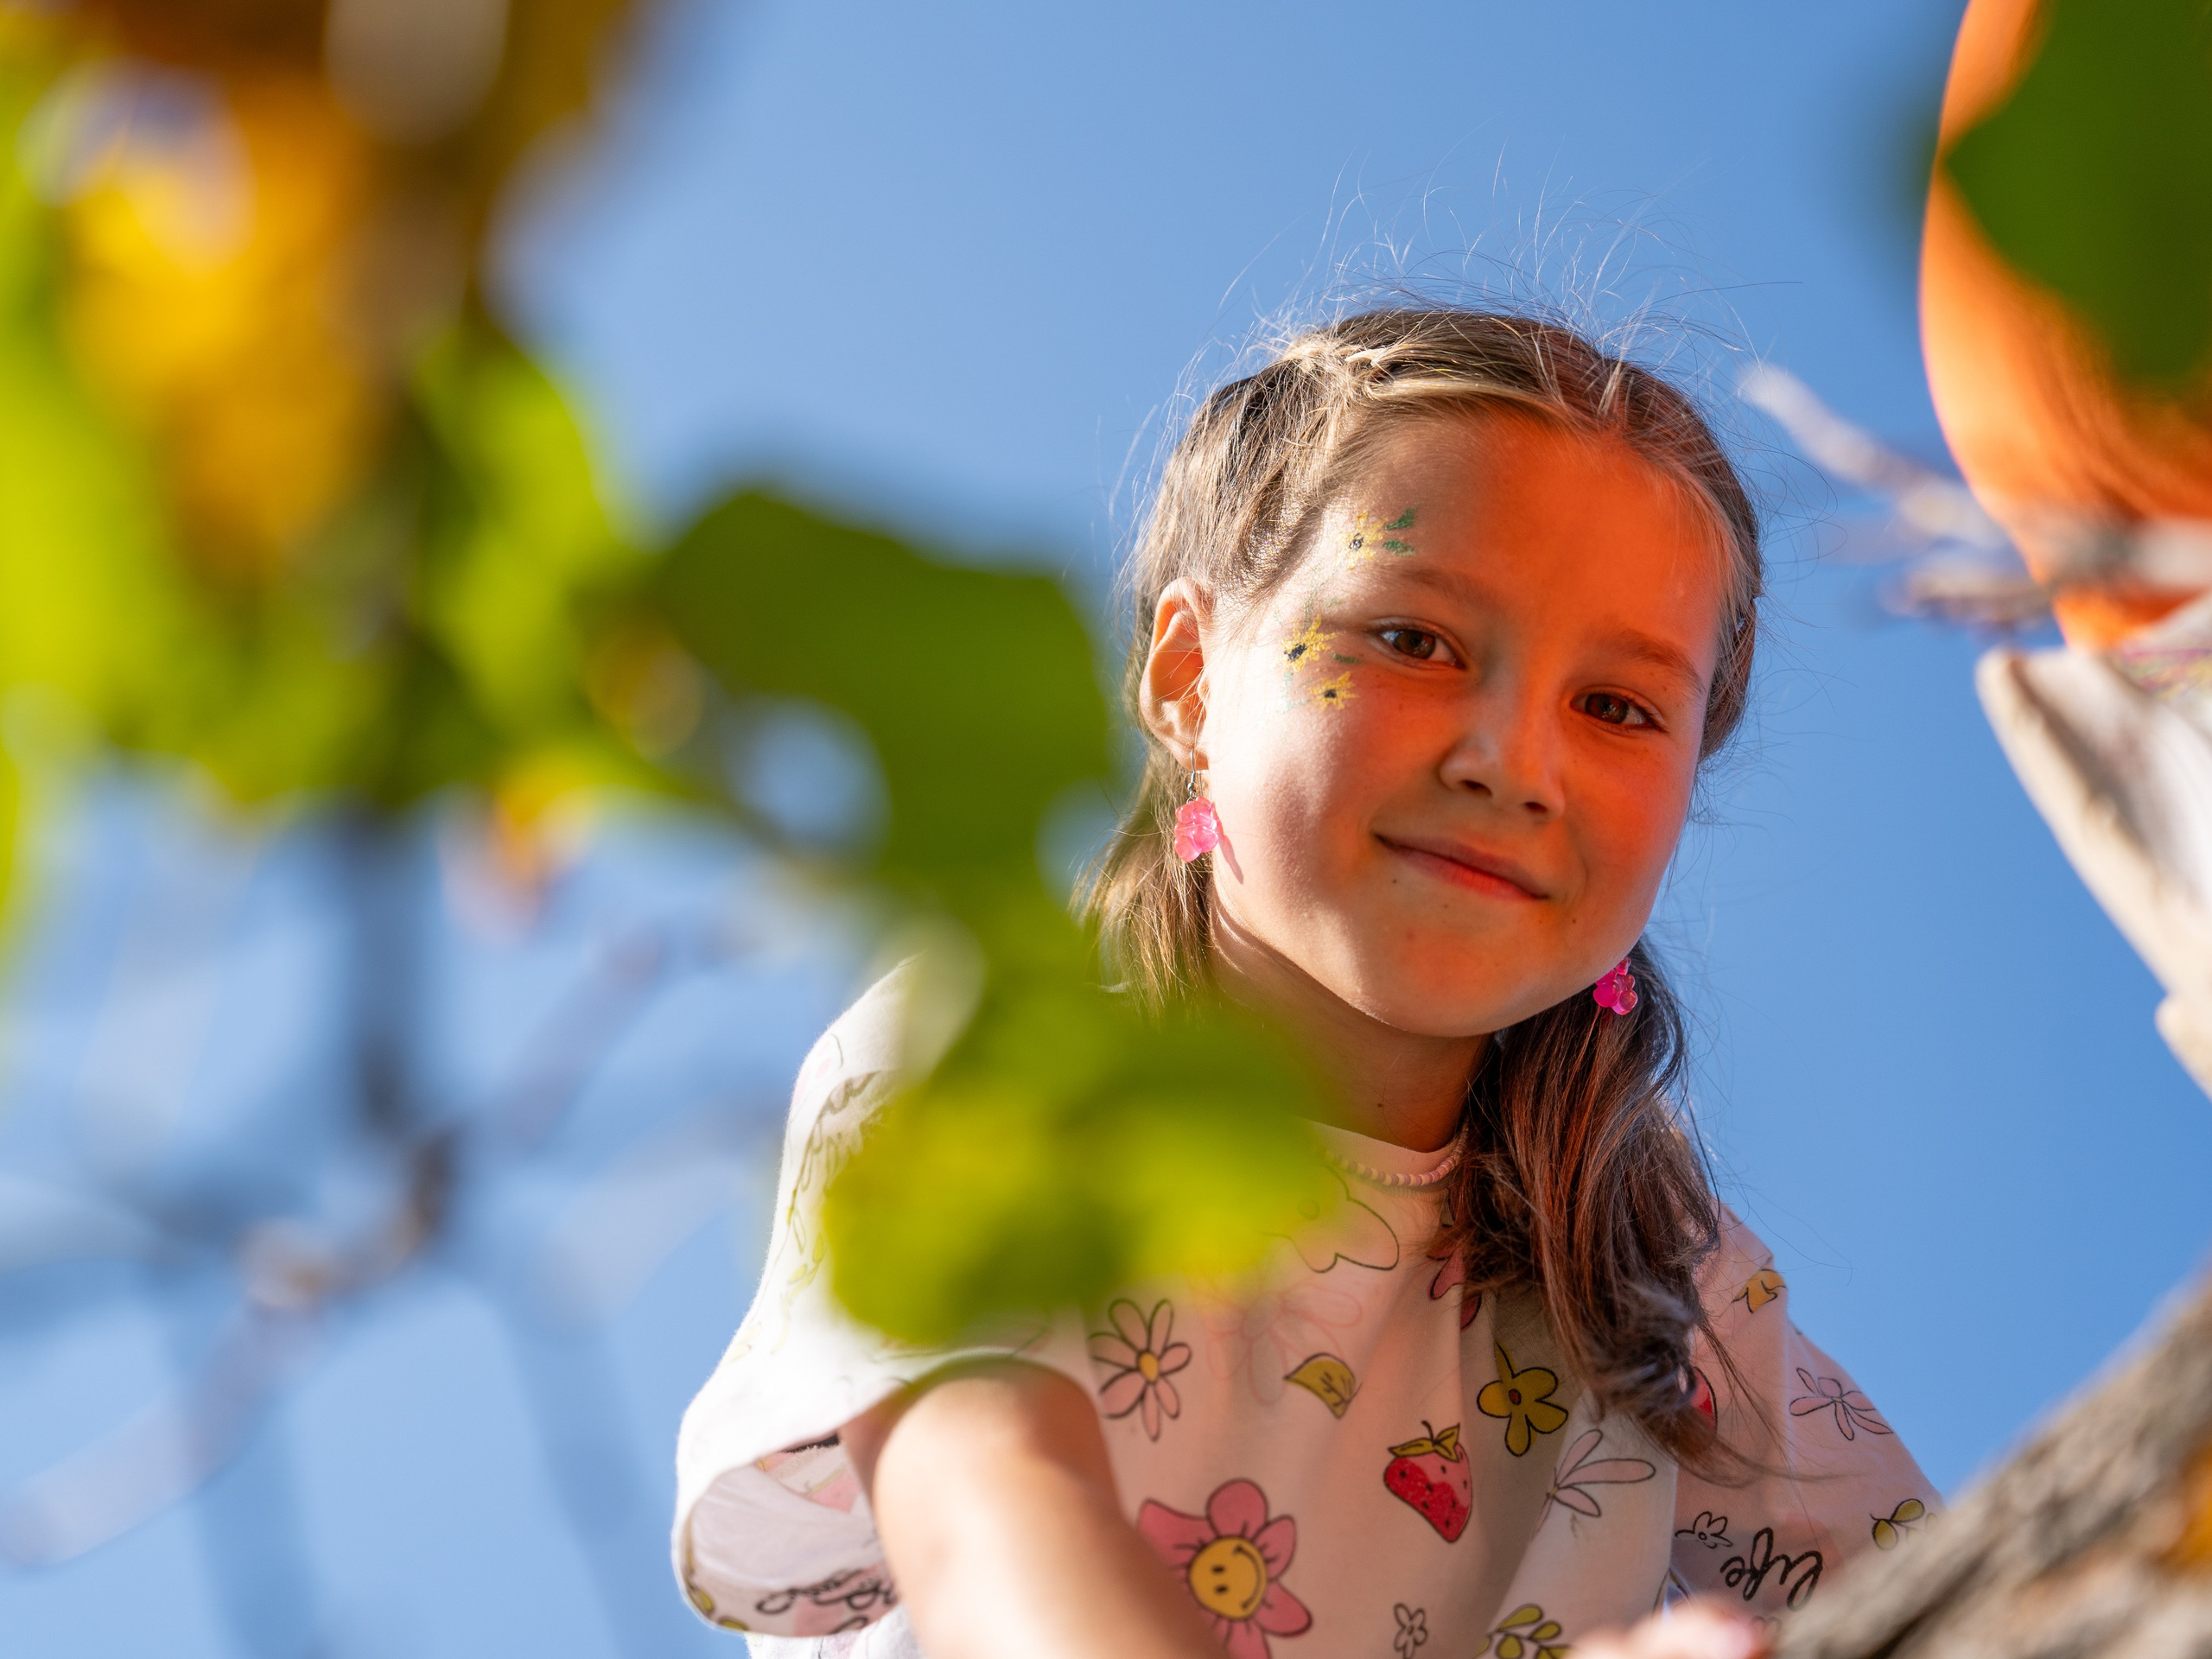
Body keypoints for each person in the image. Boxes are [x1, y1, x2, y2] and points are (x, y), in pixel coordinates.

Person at [672, 308, 1938, 1658]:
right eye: (1414, 639)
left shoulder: (1652, 1271)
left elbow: (1969, 1591)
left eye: (1618, 708)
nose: (1514, 762)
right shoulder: (1004, 1058)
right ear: (1187, 680)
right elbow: (983, 1515)